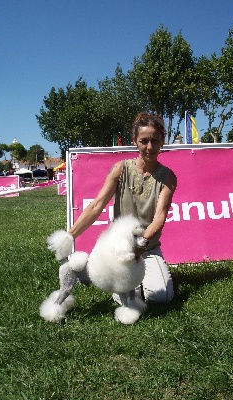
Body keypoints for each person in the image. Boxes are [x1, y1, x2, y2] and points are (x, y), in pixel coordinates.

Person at [68, 112, 177, 304]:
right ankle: (131, 285)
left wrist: (137, 250)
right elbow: (96, 205)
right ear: (135, 141)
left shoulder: (168, 177)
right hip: (119, 249)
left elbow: (159, 218)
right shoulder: (120, 169)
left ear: (162, 142)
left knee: (161, 298)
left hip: (148, 249)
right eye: (144, 141)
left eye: (155, 140)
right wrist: (69, 237)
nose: (149, 147)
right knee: (125, 299)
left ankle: (145, 279)